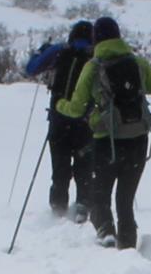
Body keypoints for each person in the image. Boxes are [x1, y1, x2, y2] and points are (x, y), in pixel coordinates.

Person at [55, 15, 151, 249]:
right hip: (138, 140)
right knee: (125, 200)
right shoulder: (138, 63)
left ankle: (106, 233)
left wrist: (60, 105)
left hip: (106, 142)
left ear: (96, 39)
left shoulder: (93, 67)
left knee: (100, 196)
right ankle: (128, 246)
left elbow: (77, 108)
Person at [22, 19, 98, 224]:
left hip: (59, 120)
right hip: (87, 123)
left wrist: (41, 51)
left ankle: (58, 210)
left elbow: (31, 69)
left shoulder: (59, 52)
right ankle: (83, 208)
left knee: (60, 169)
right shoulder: (96, 58)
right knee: (85, 168)